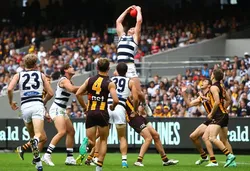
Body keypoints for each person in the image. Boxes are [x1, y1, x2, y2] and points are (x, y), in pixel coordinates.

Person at [7, 54, 54, 171]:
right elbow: (51, 93)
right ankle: (24, 147)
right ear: (35, 64)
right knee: (38, 136)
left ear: (24, 64)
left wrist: (11, 102)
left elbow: (9, 89)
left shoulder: (18, 75)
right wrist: (43, 101)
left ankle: (38, 166)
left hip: (24, 107)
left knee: (33, 137)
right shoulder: (41, 75)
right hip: (37, 104)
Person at [76, 58, 119, 171]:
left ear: (97, 68)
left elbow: (78, 93)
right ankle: (99, 167)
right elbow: (116, 100)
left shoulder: (89, 80)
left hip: (90, 113)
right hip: (102, 113)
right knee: (104, 140)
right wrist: (113, 107)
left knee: (92, 141)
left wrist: (85, 108)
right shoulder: (110, 83)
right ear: (109, 69)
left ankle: (86, 143)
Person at [182, 78, 236, 167]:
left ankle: (215, 160)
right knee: (194, 136)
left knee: (211, 138)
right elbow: (189, 104)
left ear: (209, 85)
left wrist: (222, 109)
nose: (202, 82)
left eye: (205, 82)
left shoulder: (212, 91)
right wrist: (184, 94)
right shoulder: (203, 95)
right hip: (212, 117)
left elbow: (215, 101)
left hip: (216, 116)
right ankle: (207, 157)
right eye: (202, 81)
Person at [116, 5, 152, 116]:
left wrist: (139, 10)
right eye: (130, 28)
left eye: (133, 28)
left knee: (138, 92)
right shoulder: (121, 36)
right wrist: (127, 10)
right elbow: (118, 21)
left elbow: (139, 21)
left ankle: (144, 105)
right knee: (120, 92)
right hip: (119, 66)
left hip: (130, 66)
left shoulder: (135, 39)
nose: (132, 29)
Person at [42, 64, 80, 166]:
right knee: (62, 131)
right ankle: (47, 155)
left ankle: (69, 157)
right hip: (57, 108)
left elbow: (78, 91)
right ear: (66, 70)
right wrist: (87, 86)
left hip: (61, 109)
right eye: (71, 67)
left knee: (71, 131)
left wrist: (88, 89)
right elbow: (72, 89)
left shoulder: (69, 81)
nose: (73, 68)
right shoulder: (64, 80)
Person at [125, 99, 179, 167]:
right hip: (133, 118)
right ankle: (138, 161)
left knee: (156, 135)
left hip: (139, 116)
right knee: (148, 138)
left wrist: (144, 104)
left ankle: (165, 160)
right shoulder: (127, 93)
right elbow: (135, 98)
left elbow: (138, 98)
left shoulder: (133, 91)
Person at [202, 69, 236, 167]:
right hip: (224, 114)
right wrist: (223, 109)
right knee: (224, 140)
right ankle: (232, 163)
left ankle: (229, 156)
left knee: (211, 137)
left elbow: (217, 102)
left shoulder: (213, 87)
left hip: (218, 116)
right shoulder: (221, 86)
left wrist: (212, 113)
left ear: (213, 76)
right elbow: (228, 100)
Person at [15, 75, 52, 164]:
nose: (49, 82)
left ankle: (35, 159)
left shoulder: (39, 88)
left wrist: (45, 113)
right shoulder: (41, 89)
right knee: (41, 137)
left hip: (26, 110)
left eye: (50, 80)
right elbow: (40, 103)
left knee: (40, 138)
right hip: (34, 112)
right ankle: (23, 148)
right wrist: (45, 113)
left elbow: (41, 104)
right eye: (48, 80)